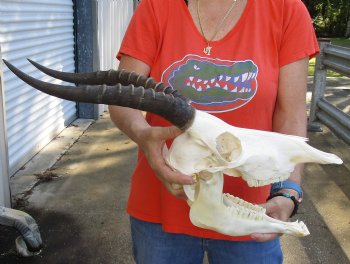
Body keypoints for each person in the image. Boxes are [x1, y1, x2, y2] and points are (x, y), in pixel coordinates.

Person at [109, 0, 319, 263]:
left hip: (251, 215)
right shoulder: (156, 7)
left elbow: (291, 115)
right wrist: (142, 134)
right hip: (161, 208)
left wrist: (287, 191)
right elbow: (122, 100)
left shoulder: (286, 10)